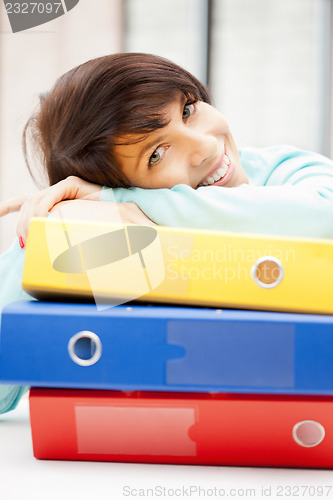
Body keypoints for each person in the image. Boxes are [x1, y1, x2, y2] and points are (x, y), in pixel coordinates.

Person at [1, 52, 333, 414]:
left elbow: (323, 217)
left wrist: (120, 198)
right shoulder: (121, 249)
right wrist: (54, 229)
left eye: (188, 109)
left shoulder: (284, 170)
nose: (205, 147)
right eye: (157, 154)